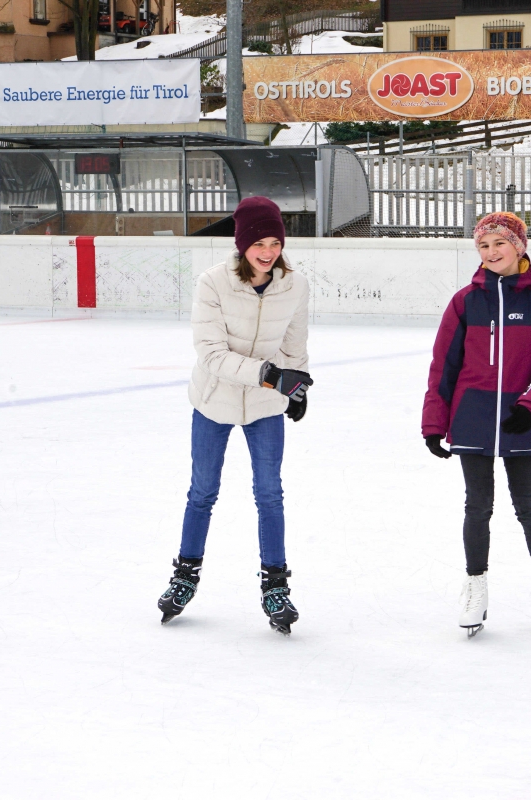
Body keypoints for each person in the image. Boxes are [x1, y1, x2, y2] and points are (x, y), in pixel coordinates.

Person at [158, 196, 312, 635]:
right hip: (214, 401)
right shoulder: (213, 283)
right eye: (259, 243)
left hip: (266, 407)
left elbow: (295, 344)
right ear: (242, 243)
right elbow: (210, 354)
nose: (268, 252)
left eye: (275, 243)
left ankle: (275, 587)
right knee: (203, 491)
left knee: (270, 494)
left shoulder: (294, 285)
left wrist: (296, 384)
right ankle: (184, 578)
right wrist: (269, 375)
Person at [421, 212, 531, 637]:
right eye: (483, 246)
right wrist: (434, 421)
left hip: (521, 419)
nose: (491, 253)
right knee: (477, 507)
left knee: (529, 506)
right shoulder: (465, 301)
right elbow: (443, 367)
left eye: (499, 244)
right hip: (472, 419)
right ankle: (475, 587)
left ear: (519, 247)